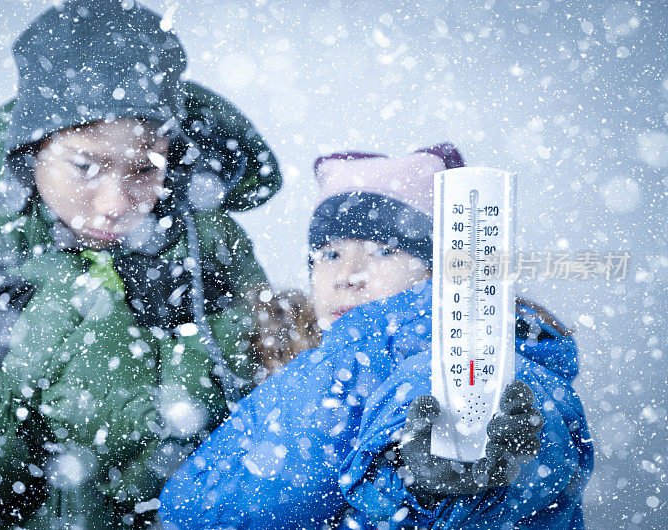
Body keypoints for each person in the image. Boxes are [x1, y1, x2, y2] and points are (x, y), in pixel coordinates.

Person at [0, 1, 282, 528]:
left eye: (144, 167)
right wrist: (42, 332)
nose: (115, 202)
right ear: (32, 147)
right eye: (85, 165)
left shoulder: (207, 248)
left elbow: (259, 432)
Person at [158, 147, 593, 528]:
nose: (346, 276)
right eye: (329, 253)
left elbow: (538, 444)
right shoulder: (299, 361)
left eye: (383, 250)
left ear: (440, 269)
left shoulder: (471, 357)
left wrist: (442, 468)